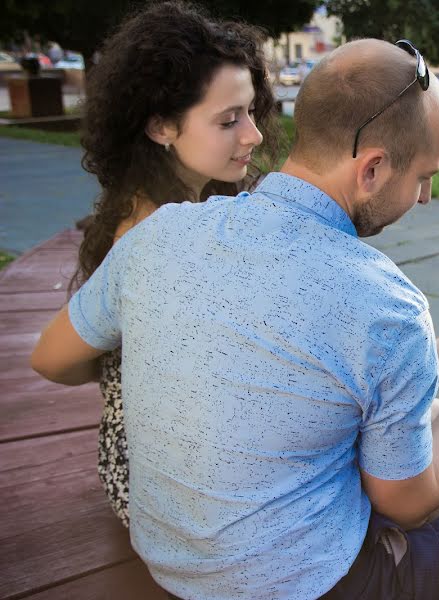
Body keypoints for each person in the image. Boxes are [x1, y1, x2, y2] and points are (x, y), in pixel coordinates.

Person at [32, 38, 439, 599]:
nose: (426, 198)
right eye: (424, 177)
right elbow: (409, 503)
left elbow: (51, 358)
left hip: (174, 564)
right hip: (310, 583)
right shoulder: (383, 301)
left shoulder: (157, 235)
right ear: (373, 168)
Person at [71, 1, 283, 527]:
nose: (253, 135)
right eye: (229, 119)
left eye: (252, 111)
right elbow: (54, 359)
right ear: (162, 126)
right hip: (164, 478)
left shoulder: (164, 206)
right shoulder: (152, 233)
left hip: (176, 459)